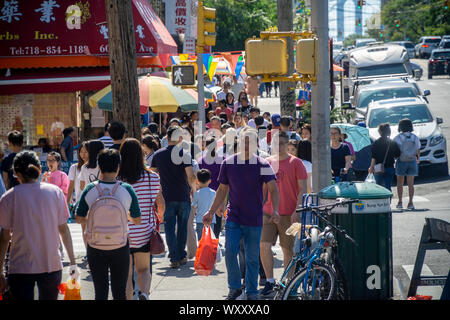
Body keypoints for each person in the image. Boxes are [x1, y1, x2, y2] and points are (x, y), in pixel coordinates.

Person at [202, 127, 280, 300]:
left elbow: (273, 189)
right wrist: (211, 211)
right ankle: (235, 287)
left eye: (250, 141)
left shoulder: (263, 164)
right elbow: (222, 189)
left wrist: (275, 210)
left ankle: (252, 291)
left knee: (252, 258)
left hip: (254, 217)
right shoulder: (228, 163)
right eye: (244, 141)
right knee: (230, 251)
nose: (246, 144)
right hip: (234, 216)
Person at [0, 151, 77, 300]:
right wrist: (73, 263)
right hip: (51, 264)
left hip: (20, 266)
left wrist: (0, 271)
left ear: (16, 173)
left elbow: (4, 237)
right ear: (39, 170)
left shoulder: (8, 197)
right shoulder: (55, 193)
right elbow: (64, 230)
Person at [75, 149, 142, 300]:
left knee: (100, 292)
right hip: (120, 245)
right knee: (119, 292)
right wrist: (126, 216)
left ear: (99, 166)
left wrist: (91, 217)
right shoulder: (127, 189)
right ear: (118, 166)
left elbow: (79, 218)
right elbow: (137, 219)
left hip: (95, 245)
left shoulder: (90, 188)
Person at [260, 131, 307, 296]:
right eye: (275, 143)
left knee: (288, 249)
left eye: (281, 143)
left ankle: (286, 282)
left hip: (289, 214)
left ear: (288, 145)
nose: (278, 146)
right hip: (268, 213)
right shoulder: (266, 163)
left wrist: (297, 209)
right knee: (264, 246)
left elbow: (302, 189)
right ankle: (270, 281)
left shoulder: (296, 163)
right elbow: (261, 189)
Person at [118, 138, 164, 300]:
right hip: (145, 231)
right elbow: (160, 204)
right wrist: (159, 217)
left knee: (127, 273)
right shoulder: (153, 178)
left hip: (123, 233)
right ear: (141, 155)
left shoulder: (118, 180)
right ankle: (144, 293)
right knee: (144, 269)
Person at [150, 126, 196, 268]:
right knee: (182, 227)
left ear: (167, 137)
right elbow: (190, 176)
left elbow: (152, 176)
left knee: (169, 228)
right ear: (180, 138)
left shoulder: (157, 155)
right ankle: (181, 255)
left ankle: (174, 257)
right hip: (182, 194)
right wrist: (193, 191)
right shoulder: (185, 154)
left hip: (165, 196)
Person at [393, 118, 421, 210]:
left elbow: (395, 150)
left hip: (401, 161)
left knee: (400, 183)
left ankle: (400, 202)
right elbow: (418, 148)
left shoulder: (398, 138)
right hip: (412, 160)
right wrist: (418, 158)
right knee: (411, 184)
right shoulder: (414, 137)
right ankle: (410, 203)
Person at [368, 123, 401, 191]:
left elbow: (374, 156)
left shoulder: (376, 143)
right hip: (390, 167)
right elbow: (398, 154)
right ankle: (388, 201)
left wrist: (371, 167)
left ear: (380, 132)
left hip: (378, 168)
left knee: (379, 187)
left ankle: (380, 201)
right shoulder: (392, 142)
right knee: (388, 186)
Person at [192, 169, 216, 241]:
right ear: (210, 181)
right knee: (210, 240)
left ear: (197, 181)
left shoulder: (197, 193)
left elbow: (194, 206)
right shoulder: (214, 193)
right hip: (211, 220)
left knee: (201, 241)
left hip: (200, 220)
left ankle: (202, 252)